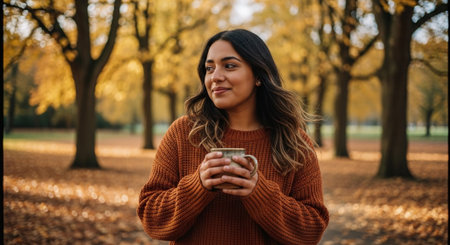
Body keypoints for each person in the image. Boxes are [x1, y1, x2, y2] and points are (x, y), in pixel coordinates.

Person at [137, 29, 329, 245]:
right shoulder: (183, 133)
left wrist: (259, 193)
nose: (215, 77)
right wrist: (197, 186)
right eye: (209, 68)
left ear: (258, 75)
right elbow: (151, 219)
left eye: (229, 66)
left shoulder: (295, 142)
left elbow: (312, 230)